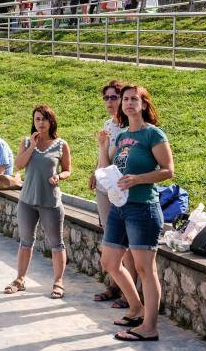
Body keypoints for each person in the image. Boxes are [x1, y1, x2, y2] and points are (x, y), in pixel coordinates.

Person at [96, 84, 173, 342]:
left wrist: (138, 179)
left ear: (143, 104)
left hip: (143, 208)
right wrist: (102, 146)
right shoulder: (120, 136)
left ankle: (149, 327)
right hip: (120, 207)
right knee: (109, 262)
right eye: (125, 99)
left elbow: (167, 170)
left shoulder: (153, 135)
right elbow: (106, 169)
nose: (128, 103)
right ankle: (136, 308)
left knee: (144, 268)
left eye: (133, 99)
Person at [4, 105, 71, 301]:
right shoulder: (26, 141)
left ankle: (58, 282)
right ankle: (20, 279)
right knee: (25, 242)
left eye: (43, 119)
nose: (40, 123)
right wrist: (32, 146)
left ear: (51, 121)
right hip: (27, 200)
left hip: (50, 201)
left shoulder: (61, 144)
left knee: (56, 243)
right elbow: (19, 165)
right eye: (37, 119)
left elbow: (68, 169)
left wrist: (59, 176)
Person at [90, 80, 136, 308]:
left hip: (119, 189)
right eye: (106, 97)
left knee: (124, 241)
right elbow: (103, 155)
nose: (109, 101)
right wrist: (94, 172)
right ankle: (114, 284)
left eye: (114, 97)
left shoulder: (129, 128)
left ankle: (130, 294)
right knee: (110, 238)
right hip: (103, 187)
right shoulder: (108, 124)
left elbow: (116, 160)